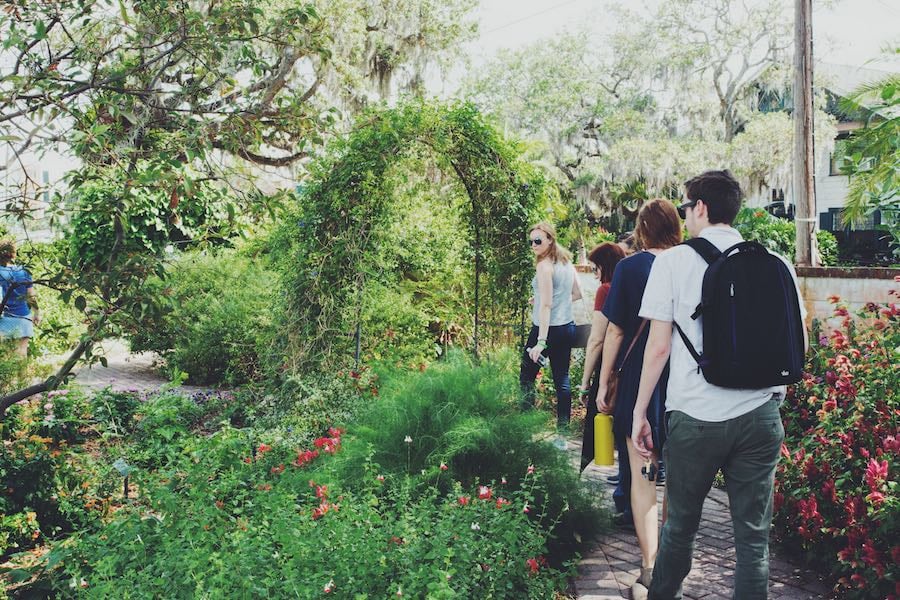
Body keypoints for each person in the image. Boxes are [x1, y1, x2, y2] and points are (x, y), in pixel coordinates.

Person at [632, 170, 808, 599]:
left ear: (702, 208)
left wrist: (639, 412)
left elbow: (657, 348)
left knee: (680, 529)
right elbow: (797, 338)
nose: (685, 215)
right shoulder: (776, 260)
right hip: (761, 416)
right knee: (753, 540)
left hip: (696, 417)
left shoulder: (671, 262)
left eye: (686, 207)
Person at [595, 200, 683, 595]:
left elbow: (614, 332)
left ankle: (649, 568)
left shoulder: (630, 268)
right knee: (678, 478)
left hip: (637, 377)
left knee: (643, 475)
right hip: (684, 378)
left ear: (642, 228)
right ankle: (669, 564)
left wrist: (602, 381)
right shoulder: (692, 262)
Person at [520, 222, 582, 437]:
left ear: (550, 240)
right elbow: (576, 293)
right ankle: (562, 435)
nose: (533, 245)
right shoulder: (566, 263)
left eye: (538, 240)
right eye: (531, 241)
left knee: (527, 376)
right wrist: (540, 300)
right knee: (561, 380)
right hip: (567, 327)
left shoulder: (544, 266)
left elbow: (547, 305)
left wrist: (541, 341)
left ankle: (525, 430)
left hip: (546, 331)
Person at [577, 242, 626, 472]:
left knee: (596, 434)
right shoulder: (630, 286)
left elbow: (596, 339)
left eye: (596, 269)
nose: (595, 276)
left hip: (609, 367)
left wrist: (585, 383)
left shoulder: (605, 290)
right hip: (631, 367)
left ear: (605, 267)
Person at [0, 238, 40, 358]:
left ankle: (9, 377)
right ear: (13, 253)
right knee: (22, 352)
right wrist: (37, 312)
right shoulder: (23, 271)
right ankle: (22, 377)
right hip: (23, 316)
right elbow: (31, 296)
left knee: (6, 355)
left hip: (4, 318)